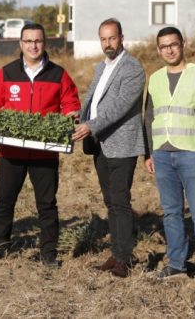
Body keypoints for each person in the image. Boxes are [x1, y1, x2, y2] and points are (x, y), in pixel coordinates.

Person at [0, 23, 80, 267]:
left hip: (45, 154)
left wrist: (71, 116)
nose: (33, 46)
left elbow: (70, 104)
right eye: (28, 41)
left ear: (44, 43)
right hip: (10, 152)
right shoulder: (6, 73)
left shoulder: (58, 74)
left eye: (38, 41)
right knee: (4, 200)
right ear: (20, 44)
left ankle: (48, 253)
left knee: (46, 204)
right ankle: (0, 245)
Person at [142, 27, 195, 281]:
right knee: (172, 211)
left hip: (192, 154)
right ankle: (177, 263)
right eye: (164, 46)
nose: (169, 50)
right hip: (163, 155)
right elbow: (149, 117)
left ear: (183, 44)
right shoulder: (154, 79)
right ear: (158, 49)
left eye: (173, 44)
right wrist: (149, 153)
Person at [71, 18, 145, 277]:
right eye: (103, 39)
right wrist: (79, 116)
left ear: (121, 38)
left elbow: (120, 107)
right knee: (110, 202)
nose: (108, 43)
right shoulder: (101, 67)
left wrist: (91, 125)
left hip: (122, 144)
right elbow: (91, 100)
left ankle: (124, 259)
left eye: (112, 38)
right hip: (101, 143)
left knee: (121, 201)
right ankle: (116, 254)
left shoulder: (133, 68)